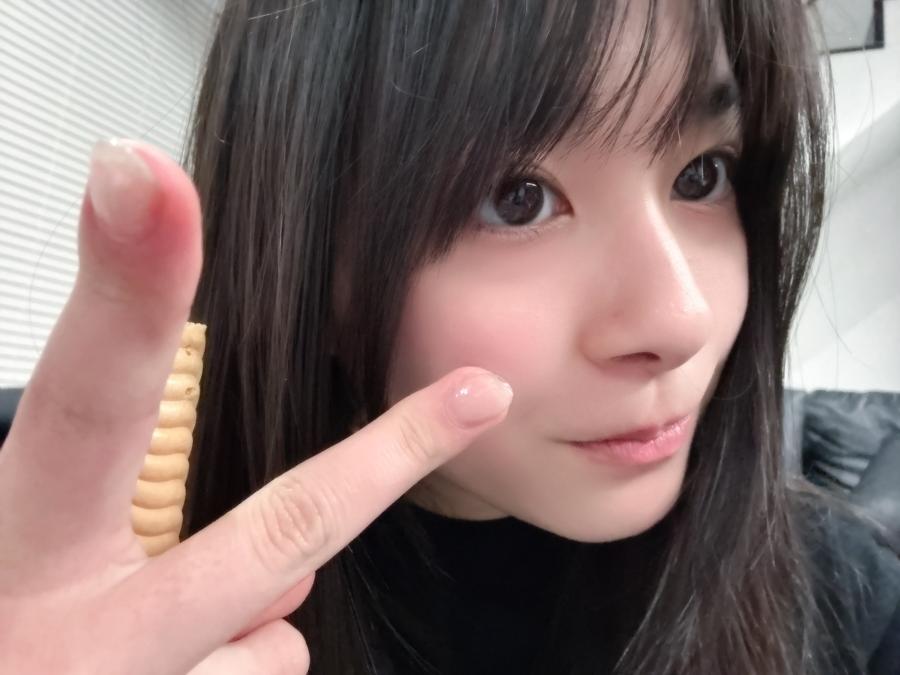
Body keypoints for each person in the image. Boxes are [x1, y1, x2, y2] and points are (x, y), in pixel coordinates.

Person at [2, 0, 898, 674]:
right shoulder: (61, 559)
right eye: (517, 198)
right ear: (307, 254)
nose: (681, 318)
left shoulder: (849, 599)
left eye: (703, 175)